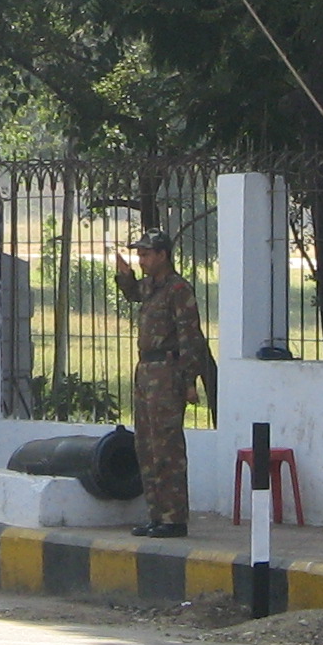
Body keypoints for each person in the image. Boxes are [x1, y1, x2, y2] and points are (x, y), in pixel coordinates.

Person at [112, 229, 214, 538]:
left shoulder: (178, 289)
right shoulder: (151, 287)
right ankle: (156, 514)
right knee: (147, 445)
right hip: (147, 370)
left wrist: (189, 380)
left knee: (167, 446)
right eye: (139, 255)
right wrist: (124, 276)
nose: (141, 260)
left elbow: (190, 336)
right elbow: (134, 293)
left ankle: (174, 517)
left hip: (168, 372)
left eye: (146, 255)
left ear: (162, 255)